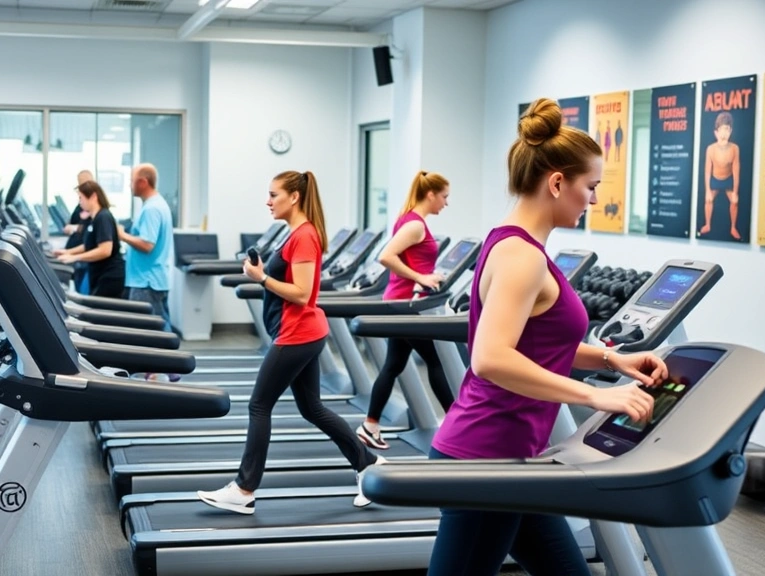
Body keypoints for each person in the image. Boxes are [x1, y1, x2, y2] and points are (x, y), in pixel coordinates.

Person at [426, 97, 669, 576]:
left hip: (512, 457)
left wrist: (611, 360)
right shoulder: (523, 257)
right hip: (487, 461)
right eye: (590, 186)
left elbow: (536, 344)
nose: (593, 200)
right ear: (557, 183)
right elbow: (490, 358)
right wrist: (595, 397)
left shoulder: (512, 242)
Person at [196, 170, 384, 515]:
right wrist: (263, 273)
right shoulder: (294, 233)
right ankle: (367, 464)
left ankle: (244, 489)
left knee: (259, 405)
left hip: (297, 333)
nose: (268, 201)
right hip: (301, 332)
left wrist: (261, 277)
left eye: (274, 195)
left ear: (294, 197)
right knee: (312, 408)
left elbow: (301, 293)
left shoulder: (305, 236)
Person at [355, 169, 454, 451]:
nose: (446, 203)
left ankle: (370, 425)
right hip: (404, 305)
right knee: (436, 361)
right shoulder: (415, 225)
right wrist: (421, 277)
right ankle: (458, 426)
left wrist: (426, 276)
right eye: (444, 197)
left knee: (393, 365)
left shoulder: (409, 219)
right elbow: (385, 256)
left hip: (400, 303)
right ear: (430, 194)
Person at [118, 163, 177, 382]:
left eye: (132, 180)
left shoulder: (152, 208)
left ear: (143, 182)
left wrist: (122, 235)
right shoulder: (157, 204)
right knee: (160, 325)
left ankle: (165, 368)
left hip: (146, 280)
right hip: (152, 277)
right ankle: (168, 368)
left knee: (146, 329)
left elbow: (147, 244)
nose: (129, 185)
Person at [53, 180, 126, 298]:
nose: (80, 202)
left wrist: (75, 257)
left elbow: (105, 250)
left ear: (93, 197)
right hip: (99, 274)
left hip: (109, 276)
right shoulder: (94, 218)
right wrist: (68, 252)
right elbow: (89, 245)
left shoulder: (103, 217)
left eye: (81, 198)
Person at [699, 111, 741, 240]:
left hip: (728, 179)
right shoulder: (710, 149)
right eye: (722, 130)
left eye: (727, 129)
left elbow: (736, 171)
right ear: (716, 132)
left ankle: (733, 227)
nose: (724, 133)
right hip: (715, 179)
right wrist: (707, 190)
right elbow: (707, 171)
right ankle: (708, 224)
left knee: (734, 201)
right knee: (708, 200)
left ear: (730, 131)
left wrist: (735, 192)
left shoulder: (734, 148)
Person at [64, 170, 94, 294]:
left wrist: (74, 255)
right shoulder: (82, 204)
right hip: (78, 255)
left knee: (83, 293)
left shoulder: (96, 211)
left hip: (84, 259)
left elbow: (90, 234)